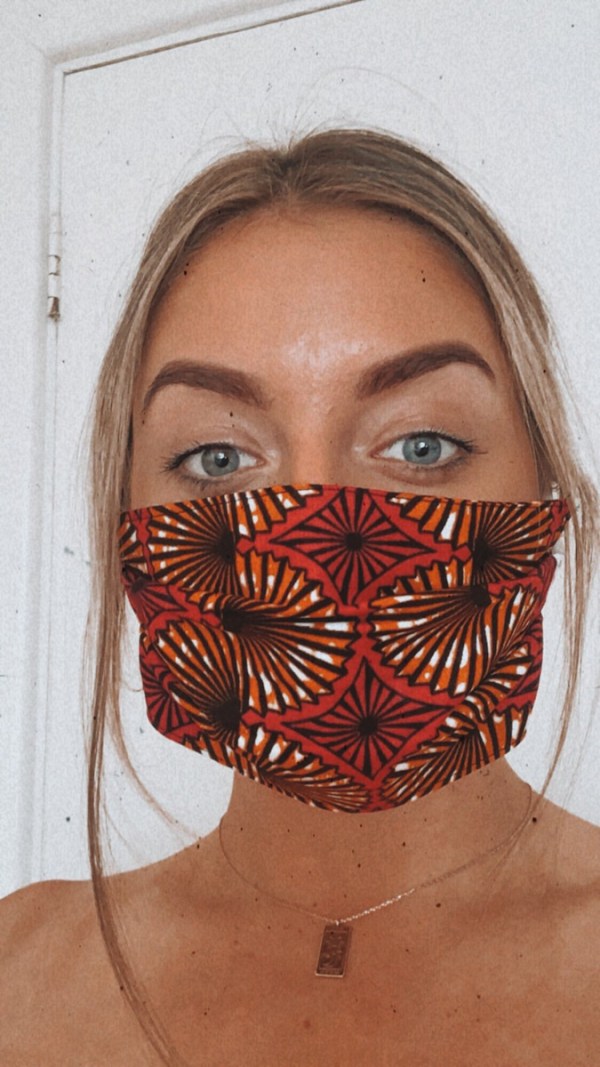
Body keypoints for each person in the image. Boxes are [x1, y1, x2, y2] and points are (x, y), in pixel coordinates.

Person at [1, 128, 598, 1067]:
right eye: (219, 457)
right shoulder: (19, 968)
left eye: (422, 445)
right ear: (127, 527)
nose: (322, 526)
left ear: (544, 489)